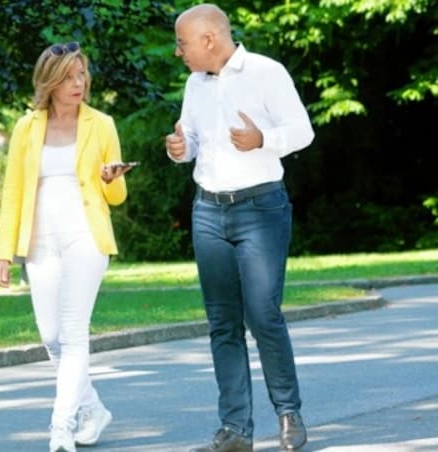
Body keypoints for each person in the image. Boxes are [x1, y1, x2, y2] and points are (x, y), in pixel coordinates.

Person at [165, 4, 315, 452]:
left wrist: (263, 139)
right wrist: (179, 146)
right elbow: (191, 141)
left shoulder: (266, 73)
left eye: (182, 43)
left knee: (263, 314)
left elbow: (302, 131)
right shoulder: (195, 84)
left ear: (209, 39)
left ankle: (289, 414)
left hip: (261, 209)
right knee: (222, 323)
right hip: (208, 211)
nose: (179, 52)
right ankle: (235, 430)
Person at [0, 41, 132, 452]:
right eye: (69, 76)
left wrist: (111, 178)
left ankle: (60, 427)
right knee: (51, 336)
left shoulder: (101, 124)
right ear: (50, 82)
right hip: (40, 243)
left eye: (82, 74)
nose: (79, 83)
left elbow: (118, 195)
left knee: (73, 334)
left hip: (85, 236)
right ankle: (94, 409)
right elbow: (13, 192)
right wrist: (3, 252)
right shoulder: (27, 127)